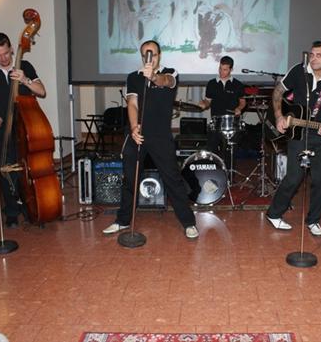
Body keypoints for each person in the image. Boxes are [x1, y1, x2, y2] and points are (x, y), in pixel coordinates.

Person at [102, 40, 199, 239]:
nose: (149, 58)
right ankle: (123, 220)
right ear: (141, 56)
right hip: (137, 134)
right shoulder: (133, 77)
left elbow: (166, 81)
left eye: (153, 54)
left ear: (159, 55)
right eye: (145, 54)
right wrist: (133, 127)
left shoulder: (171, 72)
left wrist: (153, 76)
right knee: (130, 179)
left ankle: (188, 222)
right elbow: (132, 104)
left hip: (160, 135)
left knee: (172, 179)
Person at [266, 41, 321, 237]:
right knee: (294, 177)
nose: (314, 58)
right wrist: (279, 116)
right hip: (299, 132)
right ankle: (274, 214)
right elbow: (278, 92)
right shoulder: (298, 71)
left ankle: (313, 220)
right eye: (312, 54)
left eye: (319, 55)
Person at [0, 32, 46, 228]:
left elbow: (42, 91)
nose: (3, 58)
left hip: (27, 128)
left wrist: (25, 80)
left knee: (29, 170)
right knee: (6, 172)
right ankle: (12, 211)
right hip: (3, 131)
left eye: (6, 53)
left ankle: (32, 208)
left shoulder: (25, 66)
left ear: (12, 49)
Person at [198, 55, 246, 168]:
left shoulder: (238, 84)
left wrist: (239, 108)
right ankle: (213, 172)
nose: (221, 71)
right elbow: (208, 101)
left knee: (230, 153)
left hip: (231, 124)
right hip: (216, 122)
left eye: (225, 69)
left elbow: (243, 101)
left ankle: (229, 174)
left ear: (231, 69)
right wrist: (204, 104)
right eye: (220, 68)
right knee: (211, 151)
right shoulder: (211, 83)